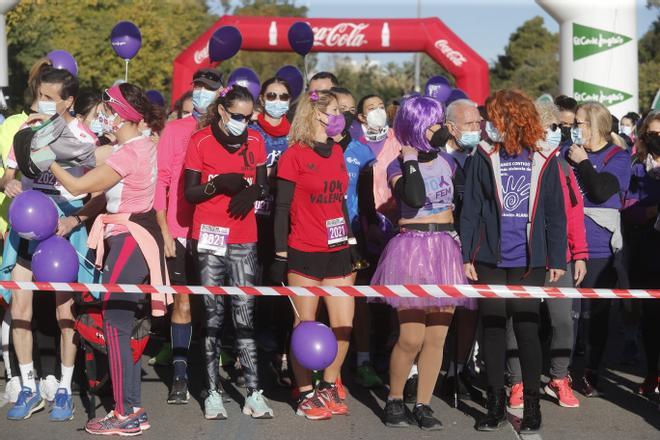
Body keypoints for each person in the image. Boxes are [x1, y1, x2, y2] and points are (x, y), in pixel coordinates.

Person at [47, 82, 167, 435]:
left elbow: (78, 185)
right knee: (120, 326)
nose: (102, 117)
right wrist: (76, 218)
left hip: (132, 238)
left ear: (121, 115)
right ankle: (132, 408)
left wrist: (43, 160)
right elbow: (102, 193)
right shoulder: (130, 146)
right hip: (125, 237)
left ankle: (125, 411)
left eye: (107, 111)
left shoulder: (131, 151)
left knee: (115, 324)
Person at [461, 89, 567, 434]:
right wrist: (468, 255)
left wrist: (556, 257)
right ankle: (494, 403)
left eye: (494, 117)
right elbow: (473, 208)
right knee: (491, 327)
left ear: (512, 118)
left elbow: (555, 210)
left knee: (526, 328)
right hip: (490, 256)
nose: (488, 123)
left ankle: (532, 406)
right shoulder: (483, 154)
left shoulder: (543, 156)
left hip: (529, 259)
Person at [372, 96, 476, 431]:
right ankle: (395, 398)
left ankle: (424, 404)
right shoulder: (397, 165)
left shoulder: (450, 162)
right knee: (411, 338)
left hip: (446, 248)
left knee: (436, 339)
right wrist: (411, 157)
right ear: (417, 127)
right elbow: (414, 197)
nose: (439, 130)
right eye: (432, 124)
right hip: (412, 251)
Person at [2, 67, 98, 423]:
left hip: (63, 230)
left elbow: (100, 191)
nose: (40, 103)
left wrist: (76, 219)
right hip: (27, 227)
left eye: (49, 98)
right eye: (38, 95)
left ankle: (64, 390)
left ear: (69, 101)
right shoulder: (25, 133)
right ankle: (29, 387)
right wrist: (9, 186)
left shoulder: (84, 137)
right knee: (20, 307)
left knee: (64, 313)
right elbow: (7, 176)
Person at [184, 85, 273, 420]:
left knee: (245, 314)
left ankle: (253, 392)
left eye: (248, 117)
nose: (243, 122)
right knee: (212, 316)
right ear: (222, 111)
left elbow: (264, 184)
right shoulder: (201, 140)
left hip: (244, 238)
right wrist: (218, 183)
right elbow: (190, 194)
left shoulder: (257, 140)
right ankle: (213, 393)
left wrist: (252, 193)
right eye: (237, 116)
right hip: (208, 236)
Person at [272, 89, 356, 420]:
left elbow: (340, 202)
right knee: (304, 325)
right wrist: (280, 254)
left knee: (344, 324)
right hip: (304, 250)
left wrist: (350, 241)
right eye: (335, 110)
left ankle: (329, 385)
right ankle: (305, 392)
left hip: (337, 251)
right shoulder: (294, 155)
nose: (341, 117)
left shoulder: (336, 151)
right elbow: (281, 209)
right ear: (316, 113)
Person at [506, 99, 587, 410]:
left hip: (560, 256)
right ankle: (516, 381)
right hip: (522, 255)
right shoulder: (514, 160)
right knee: (521, 319)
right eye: (547, 127)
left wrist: (578, 253)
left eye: (557, 127)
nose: (554, 133)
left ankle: (559, 377)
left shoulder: (563, 164)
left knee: (562, 320)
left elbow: (574, 214)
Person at [155, 67, 223, 404]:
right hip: (179, 228)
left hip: (214, 230)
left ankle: (212, 378)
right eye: (197, 87)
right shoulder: (174, 129)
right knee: (182, 301)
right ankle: (180, 374)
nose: (201, 93)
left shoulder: (226, 131)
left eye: (209, 88)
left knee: (213, 303)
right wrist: (164, 229)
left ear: (220, 93)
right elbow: (161, 181)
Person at [565, 102, 631, 398]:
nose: (573, 128)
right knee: (566, 313)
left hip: (599, 247)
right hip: (566, 243)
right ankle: (561, 370)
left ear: (593, 125)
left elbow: (601, 192)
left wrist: (582, 163)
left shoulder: (618, 156)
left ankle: (590, 370)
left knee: (594, 315)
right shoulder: (568, 151)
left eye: (578, 123)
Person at [331, 86, 383, 389]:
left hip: (355, 238)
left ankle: (362, 362)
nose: (345, 115)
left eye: (351, 110)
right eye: (340, 109)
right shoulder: (315, 145)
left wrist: (369, 232)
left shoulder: (362, 152)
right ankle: (327, 371)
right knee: (324, 306)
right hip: (320, 238)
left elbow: (366, 203)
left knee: (357, 306)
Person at [249, 76, 293, 387]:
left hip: (286, 220)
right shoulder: (250, 132)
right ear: (262, 99)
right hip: (252, 219)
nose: (278, 100)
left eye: (284, 95)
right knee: (251, 287)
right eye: (272, 95)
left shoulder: (296, 135)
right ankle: (249, 355)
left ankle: (280, 352)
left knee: (280, 288)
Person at [440, 98, 482, 399]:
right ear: (452, 127)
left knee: (469, 311)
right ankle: (425, 369)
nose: (476, 128)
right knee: (439, 310)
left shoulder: (483, 156)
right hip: (440, 243)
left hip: (474, 247)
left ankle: (459, 368)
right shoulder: (437, 158)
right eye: (470, 124)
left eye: (478, 123)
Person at [621, 111, 660, 399]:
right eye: (653, 134)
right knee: (650, 318)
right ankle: (651, 371)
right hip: (645, 249)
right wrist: (652, 211)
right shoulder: (635, 167)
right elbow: (628, 208)